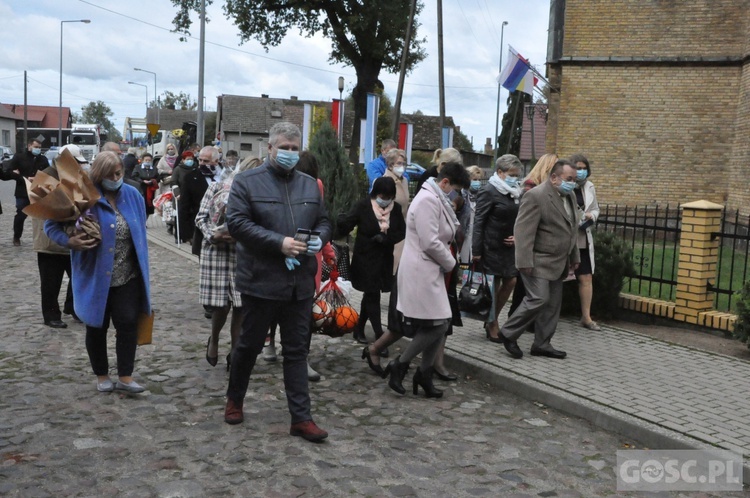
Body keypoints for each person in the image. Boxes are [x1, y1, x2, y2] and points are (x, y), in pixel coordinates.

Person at [223, 122, 331, 443]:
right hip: (261, 281)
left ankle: (301, 417)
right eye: (283, 147)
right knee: (250, 345)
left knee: (297, 351)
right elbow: (237, 223)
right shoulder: (246, 182)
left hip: (299, 283)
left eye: (294, 148)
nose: (289, 153)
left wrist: (319, 239)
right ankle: (235, 398)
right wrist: (278, 243)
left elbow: (324, 220)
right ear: (269, 148)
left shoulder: (310, 185)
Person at [44, 151, 151, 393]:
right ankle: (101, 374)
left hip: (128, 274)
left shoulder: (132, 194)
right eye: (111, 174)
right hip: (94, 275)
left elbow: (141, 229)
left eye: (119, 172)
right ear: (99, 175)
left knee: (127, 323)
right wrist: (68, 241)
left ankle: (125, 376)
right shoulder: (81, 196)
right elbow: (50, 224)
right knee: (96, 325)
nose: (116, 177)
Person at [384, 162, 470, 398]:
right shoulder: (427, 200)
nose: (457, 194)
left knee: (440, 324)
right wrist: (452, 263)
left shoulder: (436, 198)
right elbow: (430, 241)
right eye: (456, 188)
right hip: (421, 269)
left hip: (431, 269)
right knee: (439, 324)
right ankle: (401, 364)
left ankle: (424, 373)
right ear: (444, 182)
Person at [497, 159, 580, 360]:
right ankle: (508, 332)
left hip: (559, 262)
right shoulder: (536, 196)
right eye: (569, 179)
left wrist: (574, 255)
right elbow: (523, 231)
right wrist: (523, 261)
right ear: (554, 177)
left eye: (574, 180)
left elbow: (571, 228)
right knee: (538, 298)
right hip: (538, 260)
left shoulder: (569, 197)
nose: (573, 183)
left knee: (552, 305)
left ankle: (542, 344)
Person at [337, 176, 406, 347]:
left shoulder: (395, 209)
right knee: (372, 294)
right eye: (383, 196)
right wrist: (339, 223)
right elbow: (348, 223)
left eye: (389, 196)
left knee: (371, 294)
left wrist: (386, 238)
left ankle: (359, 328)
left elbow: (401, 231)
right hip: (365, 258)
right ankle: (379, 335)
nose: (385, 200)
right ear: (376, 193)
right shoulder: (363, 205)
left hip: (384, 259)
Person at [196, 159, 250, 370]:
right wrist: (214, 234)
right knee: (222, 304)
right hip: (216, 251)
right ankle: (214, 338)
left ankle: (236, 350)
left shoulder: (254, 193)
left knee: (240, 304)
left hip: (242, 253)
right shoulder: (217, 187)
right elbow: (201, 218)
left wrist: (244, 235)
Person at [32, 144, 86, 328]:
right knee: (50, 282)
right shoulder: (45, 176)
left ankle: (74, 308)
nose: (78, 166)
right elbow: (45, 209)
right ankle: (51, 315)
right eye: (76, 162)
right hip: (50, 241)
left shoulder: (74, 177)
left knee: (78, 277)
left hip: (72, 239)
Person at [472, 155, 523, 342]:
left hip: (510, 247)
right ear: (500, 172)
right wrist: (476, 250)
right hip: (491, 246)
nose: (514, 178)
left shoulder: (515, 192)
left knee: (511, 281)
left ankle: (492, 317)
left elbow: (520, 219)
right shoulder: (489, 191)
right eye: (511, 174)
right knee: (494, 285)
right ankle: (492, 322)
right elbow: (479, 222)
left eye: (517, 175)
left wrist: (518, 237)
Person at [508, 152, 559, 318]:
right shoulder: (532, 187)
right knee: (524, 285)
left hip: (541, 242)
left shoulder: (551, 189)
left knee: (531, 287)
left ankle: (525, 319)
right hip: (530, 242)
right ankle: (515, 319)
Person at [570, 153, 601, 331]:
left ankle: (586, 317)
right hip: (567, 237)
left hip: (583, 236)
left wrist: (592, 216)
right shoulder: (565, 185)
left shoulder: (589, 187)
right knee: (558, 278)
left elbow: (596, 208)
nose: (581, 172)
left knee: (586, 277)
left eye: (584, 169)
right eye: (578, 168)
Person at [180, 146, 222, 255]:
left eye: (206, 161)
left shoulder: (225, 175)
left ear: (216, 161)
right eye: (200, 160)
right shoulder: (190, 177)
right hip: (201, 227)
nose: (202, 163)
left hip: (222, 228)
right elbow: (184, 205)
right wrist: (186, 233)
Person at [8, 138, 48, 246]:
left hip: (38, 191)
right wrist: (25, 178)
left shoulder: (43, 159)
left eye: (39, 148)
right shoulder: (19, 157)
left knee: (42, 216)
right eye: (36, 147)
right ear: (29, 146)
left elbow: (48, 174)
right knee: (21, 214)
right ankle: (17, 237)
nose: (38, 149)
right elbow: (10, 172)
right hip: (23, 191)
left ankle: (43, 238)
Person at [458, 165, 484, 264]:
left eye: (479, 179)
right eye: (474, 179)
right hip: (463, 233)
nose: (477, 182)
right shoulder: (460, 195)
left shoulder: (482, 196)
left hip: (476, 234)